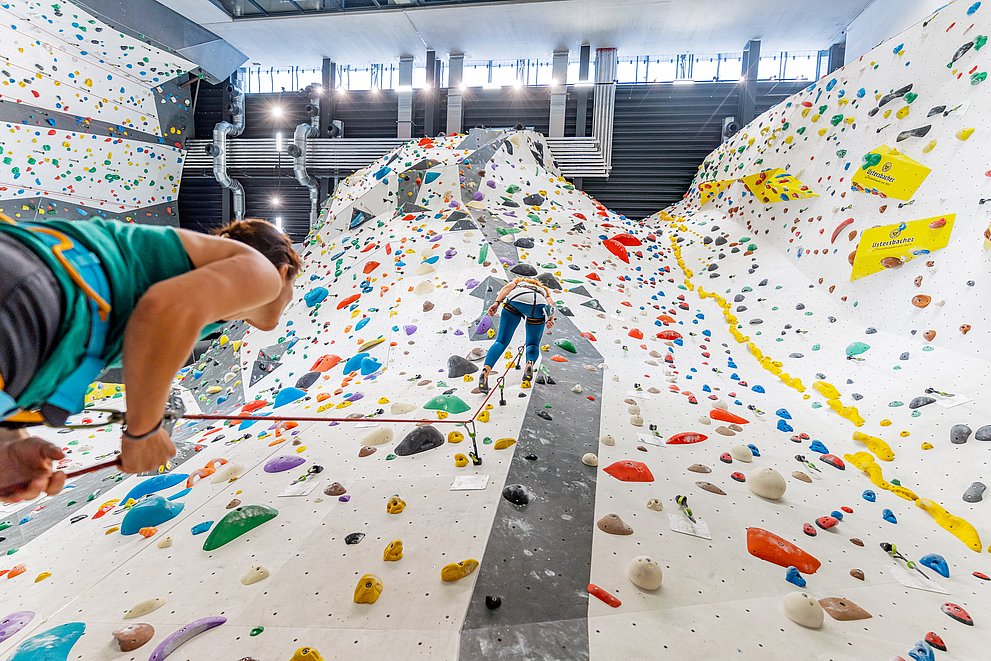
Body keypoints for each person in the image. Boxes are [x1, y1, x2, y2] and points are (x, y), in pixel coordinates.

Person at [0, 215, 301, 502]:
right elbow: (163, 308)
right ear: (284, 271)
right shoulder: (262, 272)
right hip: (37, 297)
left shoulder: (181, 273)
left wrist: (8, 445)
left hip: (31, 305)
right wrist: (144, 430)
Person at [479, 277, 556, 393]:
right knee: (533, 344)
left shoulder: (520, 282)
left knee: (501, 341)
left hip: (516, 298)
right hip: (538, 303)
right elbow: (551, 305)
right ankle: (529, 363)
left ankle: (485, 370)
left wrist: (496, 303)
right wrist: (551, 318)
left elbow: (507, 288)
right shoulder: (543, 291)